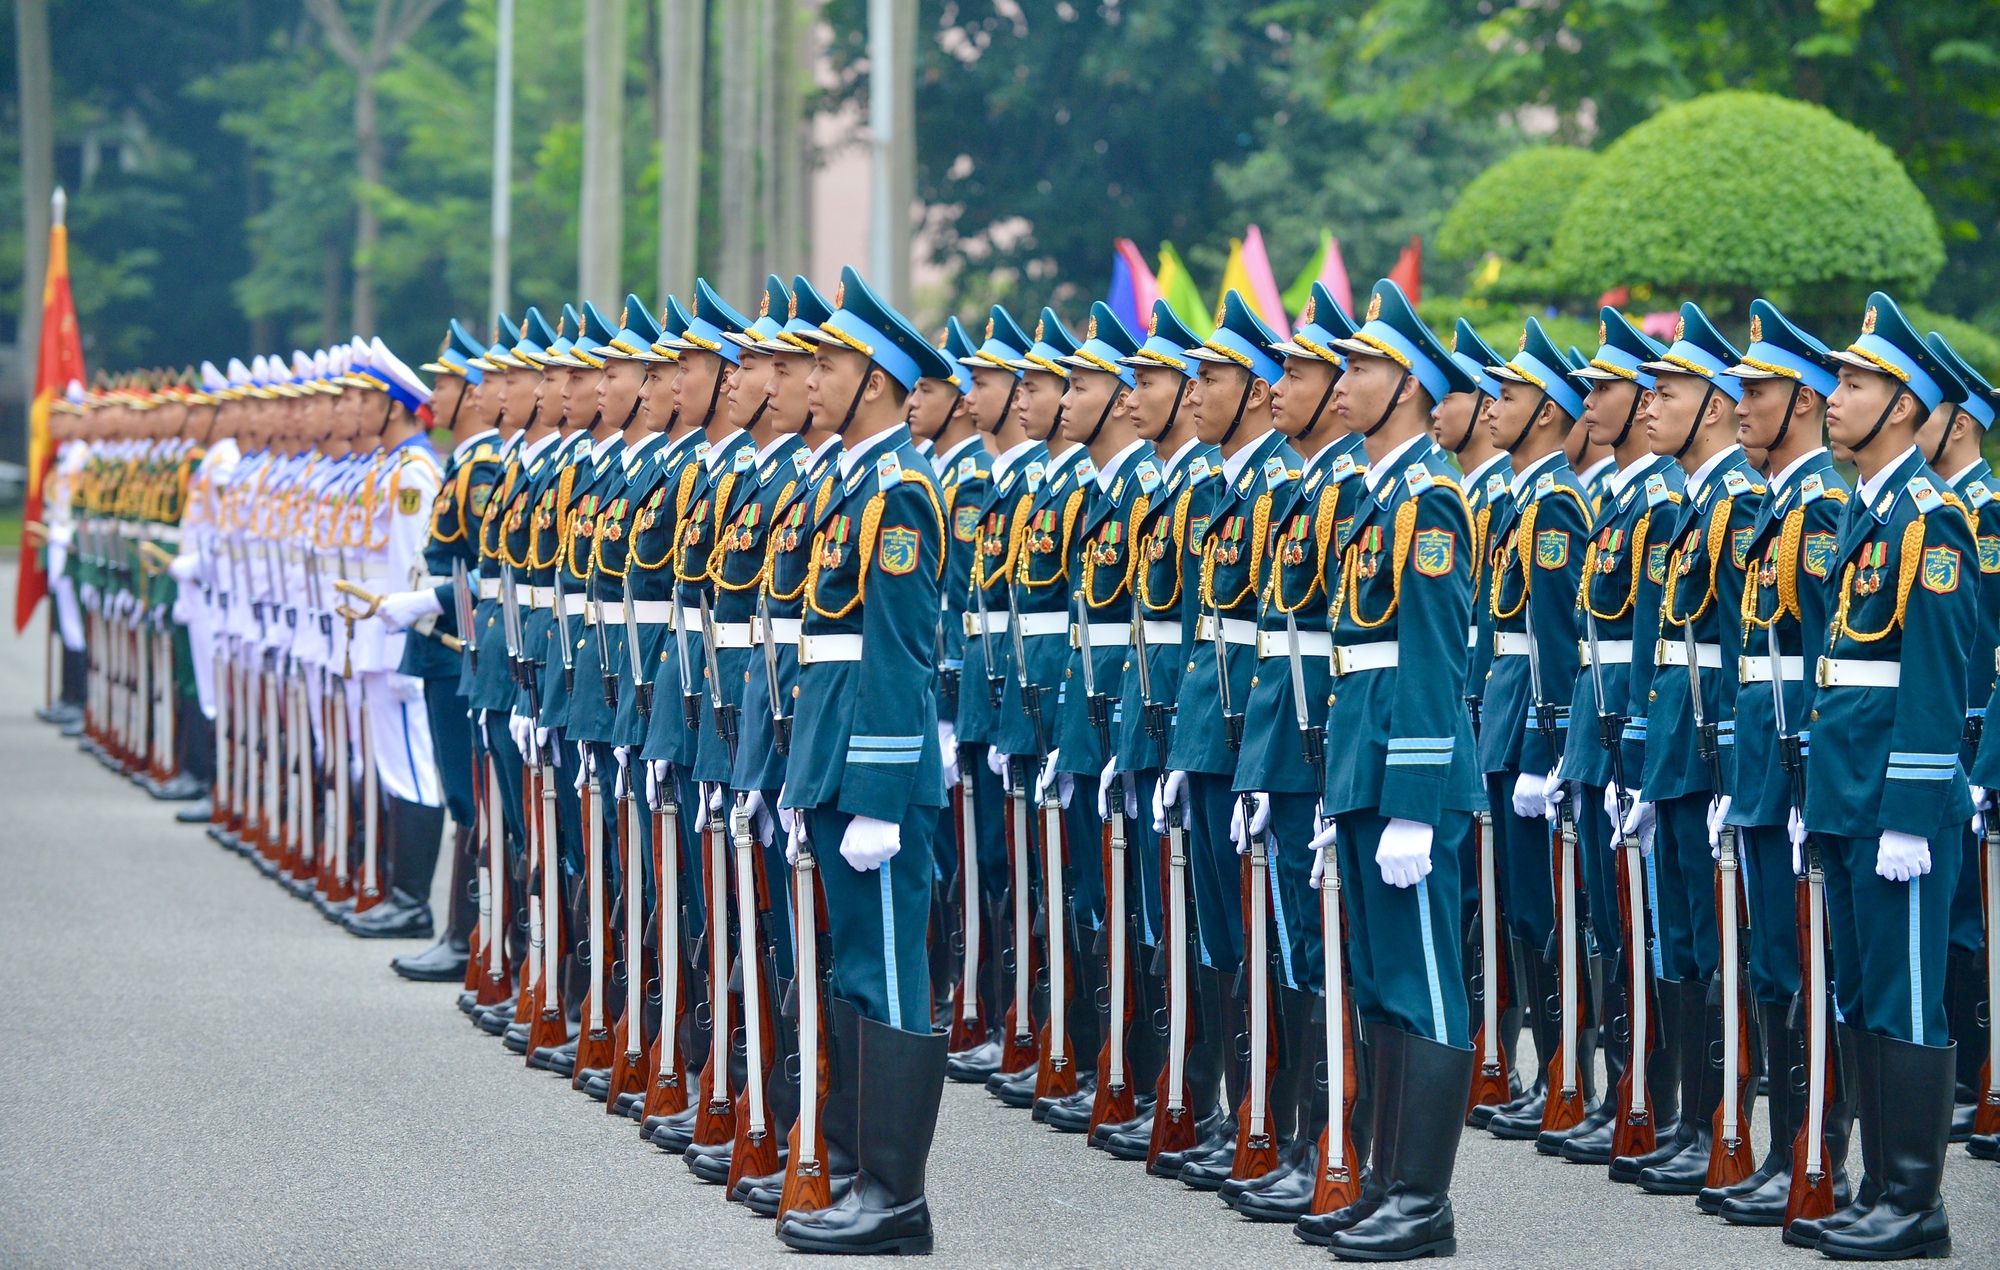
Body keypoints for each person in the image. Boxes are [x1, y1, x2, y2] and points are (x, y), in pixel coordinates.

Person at [1786, 292, 1972, 1259]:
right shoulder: (1865, 512)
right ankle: (1875, 1187)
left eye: (1856, 384)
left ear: (1902, 405)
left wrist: (1910, 810)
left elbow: (1939, 682)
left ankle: (1916, 1202)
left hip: (1898, 803)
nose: (1836, 398)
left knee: (1904, 994)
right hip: (1847, 791)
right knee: (1861, 988)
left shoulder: (1930, 526)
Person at [1305, 278, 1482, 1258]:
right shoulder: (1373, 498)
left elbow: (1432, 659)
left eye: (1362, 368)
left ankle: (1422, 1200)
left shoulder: (1427, 503)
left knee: (1419, 982)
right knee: (1377, 981)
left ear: (1409, 384)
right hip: (1364, 766)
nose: (1342, 383)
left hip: (1406, 773)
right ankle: (1383, 1182)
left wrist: (1412, 798)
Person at [776, 266, 951, 1254]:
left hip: (872, 762)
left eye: (828, 362)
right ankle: (850, 1171)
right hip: (833, 750)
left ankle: (895, 1195)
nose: (808, 377)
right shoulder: (846, 483)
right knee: (851, 967)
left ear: (877, 378)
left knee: (885, 970)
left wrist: (880, 789)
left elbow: (898, 651)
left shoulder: (899, 493)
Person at [1703, 300, 1851, 1220]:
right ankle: (1783, 1148)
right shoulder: (1777, 506)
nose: (1741, 404)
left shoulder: (1824, 508)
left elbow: (1836, 657)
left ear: (1802, 401)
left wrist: (1811, 776)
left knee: (1807, 964)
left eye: (1756, 390)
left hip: (1797, 765)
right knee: (1768, 964)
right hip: (1760, 763)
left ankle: (1816, 1153)